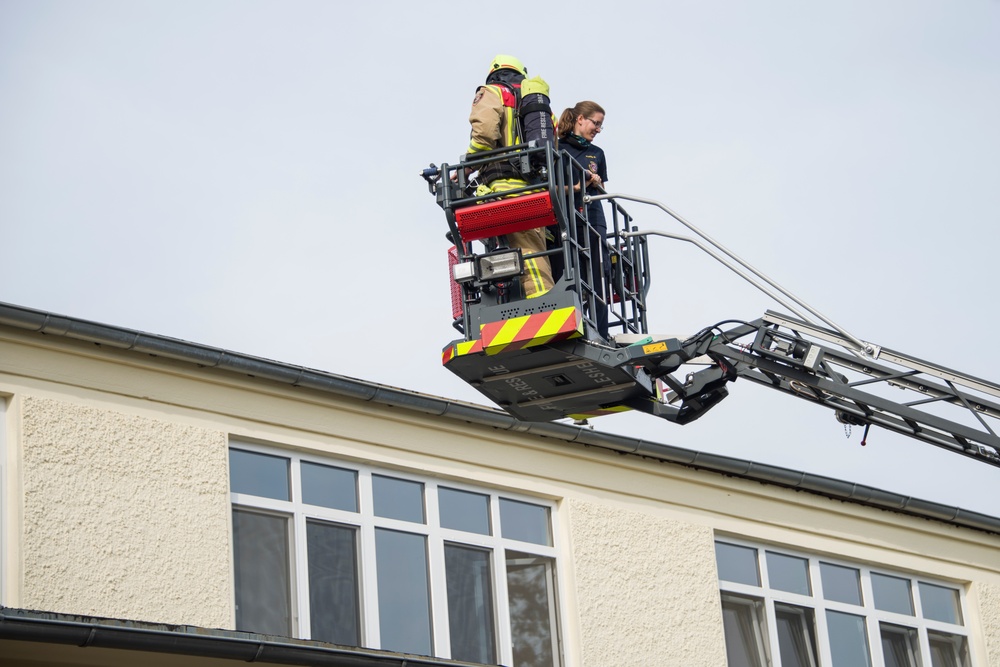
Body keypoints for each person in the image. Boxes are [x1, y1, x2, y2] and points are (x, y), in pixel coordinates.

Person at [464, 55, 554, 299]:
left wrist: (467, 165)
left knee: (523, 252)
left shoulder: (493, 92)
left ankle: (540, 305)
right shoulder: (533, 104)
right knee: (534, 251)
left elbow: (484, 132)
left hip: (503, 187)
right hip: (535, 187)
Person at [557, 101, 610, 339]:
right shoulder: (557, 149)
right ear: (580, 119)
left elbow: (603, 190)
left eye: (601, 126)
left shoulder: (597, 153)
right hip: (566, 218)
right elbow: (553, 188)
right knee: (566, 271)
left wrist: (595, 182)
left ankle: (600, 331)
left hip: (593, 217)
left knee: (598, 274)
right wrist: (579, 186)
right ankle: (569, 327)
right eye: (595, 123)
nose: (598, 129)